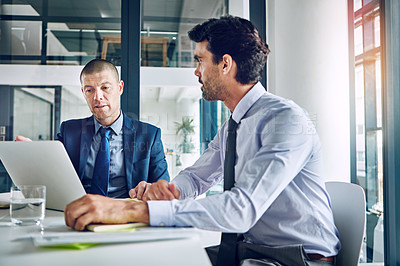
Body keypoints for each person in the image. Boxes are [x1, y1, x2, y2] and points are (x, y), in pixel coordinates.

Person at [64, 16, 340, 265]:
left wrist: (135, 211)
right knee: (155, 259)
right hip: (252, 252)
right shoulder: (233, 124)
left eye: (199, 60)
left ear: (225, 64)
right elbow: (197, 179)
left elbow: (241, 209)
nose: (196, 71)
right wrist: (169, 192)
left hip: (296, 259)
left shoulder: (285, 119)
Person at [18, 59, 169, 198]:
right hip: (80, 211)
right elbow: (53, 174)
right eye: (90, 90)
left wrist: (151, 189)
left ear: (120, 88)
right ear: (83, 92)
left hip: (125, 214)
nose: (98, 97)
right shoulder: (69, 131)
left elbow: (163, 187)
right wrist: (34, 159)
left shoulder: (150, 135)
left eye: (105, 88)